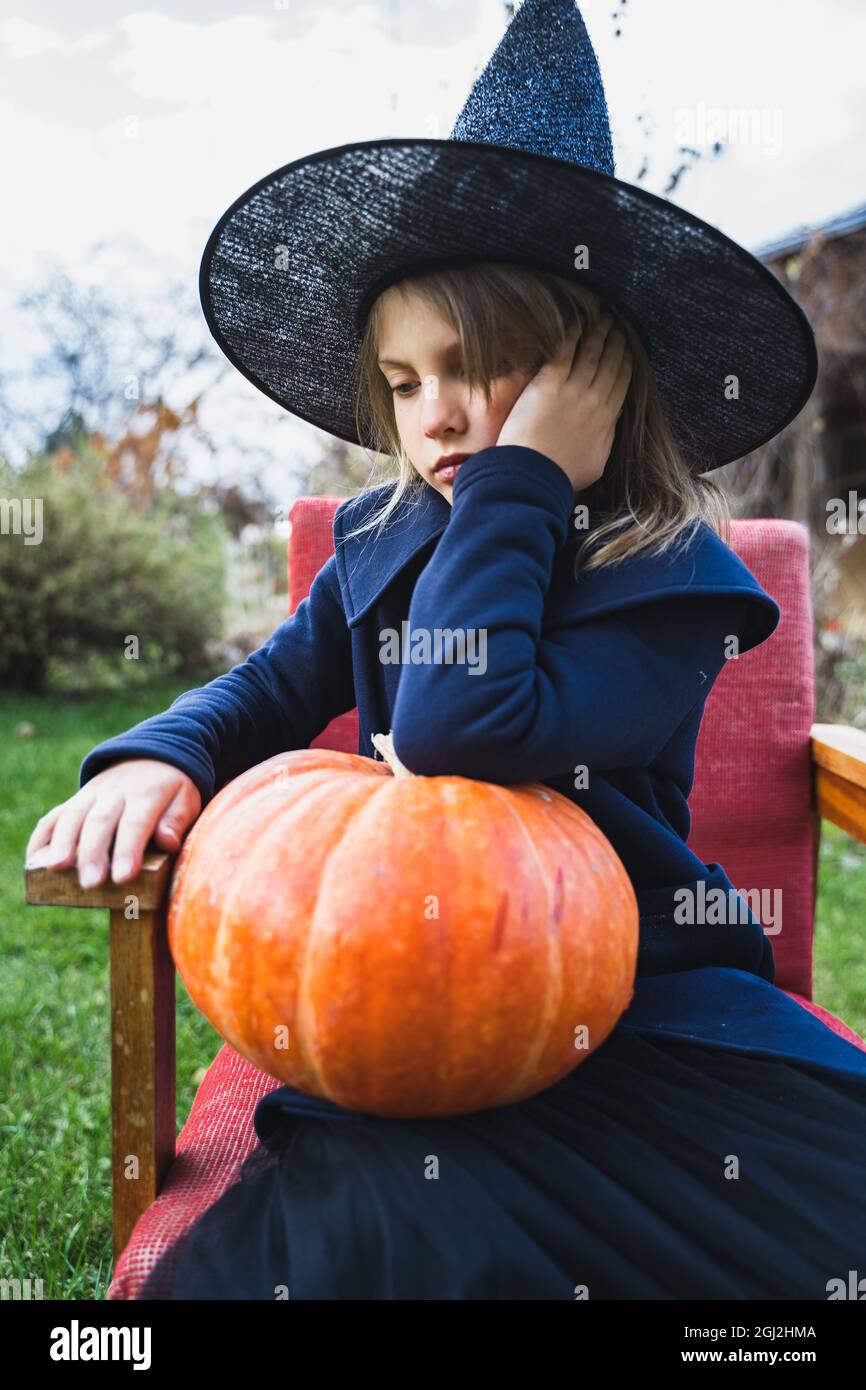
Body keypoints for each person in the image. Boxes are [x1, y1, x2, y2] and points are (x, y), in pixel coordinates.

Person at [25, 0, 866, 1298]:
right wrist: (158, 751)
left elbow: (459, 728)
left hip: (637, 1010)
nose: (437, 413)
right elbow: (268, 686)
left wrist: (518, 478)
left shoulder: (668, 580)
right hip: (414, 1004)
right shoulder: (376, 544)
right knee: (386, 1237)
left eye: (485, 368)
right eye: (405, 381)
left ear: (594, 384)